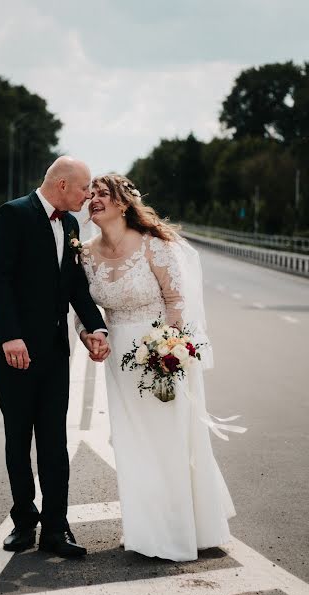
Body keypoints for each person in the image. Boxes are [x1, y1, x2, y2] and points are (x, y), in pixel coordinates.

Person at [75, 173, 243, 562]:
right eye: (92, 194)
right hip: (119, 361)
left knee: (169, 443)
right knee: (132, 444)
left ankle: (181, 531)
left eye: (103, 194)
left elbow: (177, 302)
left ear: (123, 204)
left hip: (160, 357)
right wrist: (90, 333)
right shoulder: (84, 253)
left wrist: (169, 351)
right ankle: (145, 530)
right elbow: (83, 309)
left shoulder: (154, 246)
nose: (95, 199)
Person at [0, 156, 110, 558]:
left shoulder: (71, 225)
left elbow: (73, 286)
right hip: (15, 352)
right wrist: (11, 336)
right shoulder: (13, 214)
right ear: (61, 185)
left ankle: (56, 529)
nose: (88, 195)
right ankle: (24, 523)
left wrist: (96, 328)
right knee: (18, 439)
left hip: (56, 352)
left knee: (55, 442)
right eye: (83, 187)